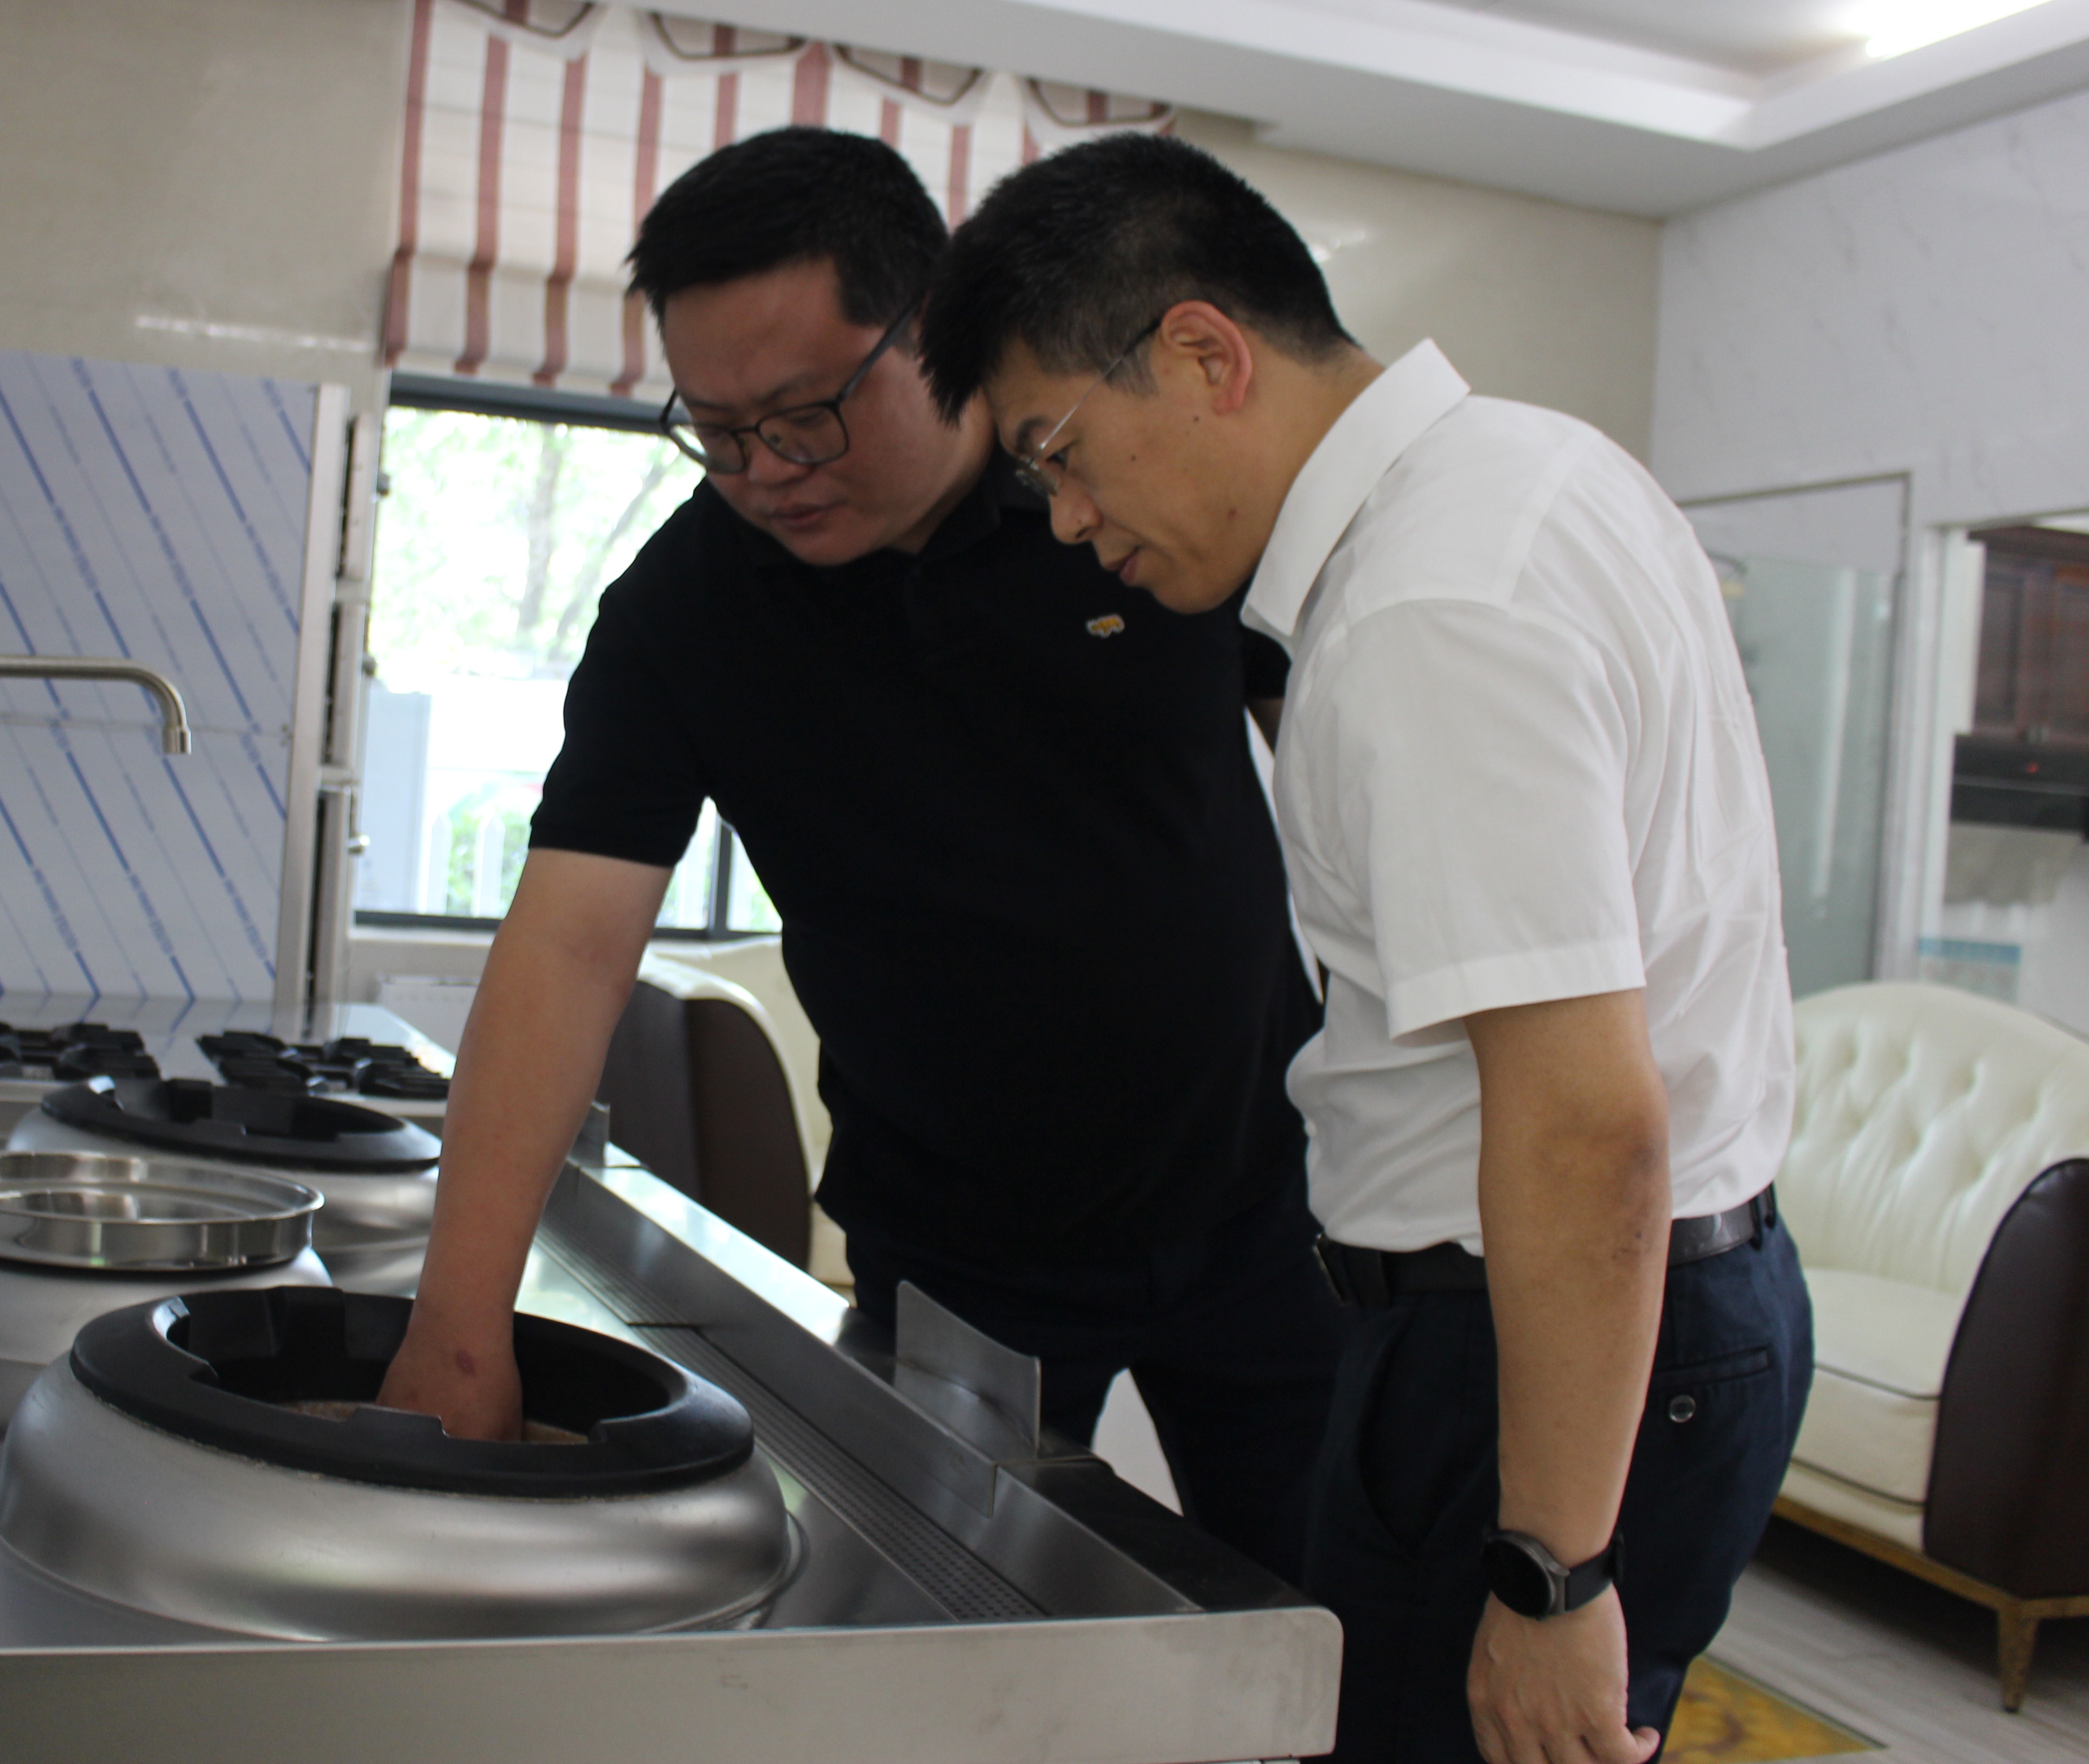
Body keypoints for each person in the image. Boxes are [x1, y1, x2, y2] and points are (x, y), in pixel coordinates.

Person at [918, 132, 1812, 1764]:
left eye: (1063, 454)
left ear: (1205, 355)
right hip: (1658, 1306)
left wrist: (1552, 1575)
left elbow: (1583, 1119)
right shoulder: (1538, 471)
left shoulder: (1427, 603)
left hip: (1534, 1345)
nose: (1067, 521)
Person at [376, 126, 1341, 1586]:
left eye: (806, 414)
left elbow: (1346, 786)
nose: (766, 471)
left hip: (1269, 1205)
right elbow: (569, 948)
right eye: (715, 430)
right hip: (958, 1263)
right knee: (946, 1620)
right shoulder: (687, 614)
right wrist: (458, 1327)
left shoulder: (1124, 492)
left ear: (935, 322)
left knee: (1325, 1618)